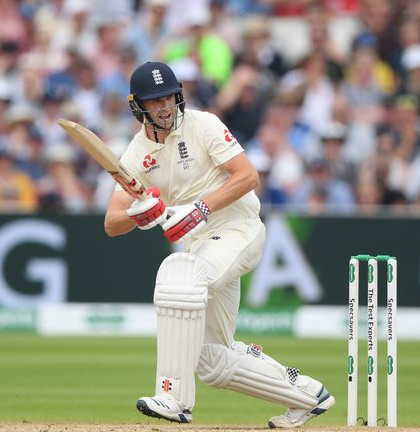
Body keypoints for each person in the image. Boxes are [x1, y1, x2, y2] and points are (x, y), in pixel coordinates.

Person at [104, 61, 334, 428]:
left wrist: (199, 208)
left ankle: (174, 397)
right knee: (212, 360)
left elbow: (248, 176)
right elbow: (112, 223)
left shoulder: (204, 124)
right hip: (201, 247)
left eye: (169, 97)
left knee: (178, 275)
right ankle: (309, 396)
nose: (164, 107)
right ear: (138, 107)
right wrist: (140, 215)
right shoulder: (136, 154)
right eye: (154, 101)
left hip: (238, 229)